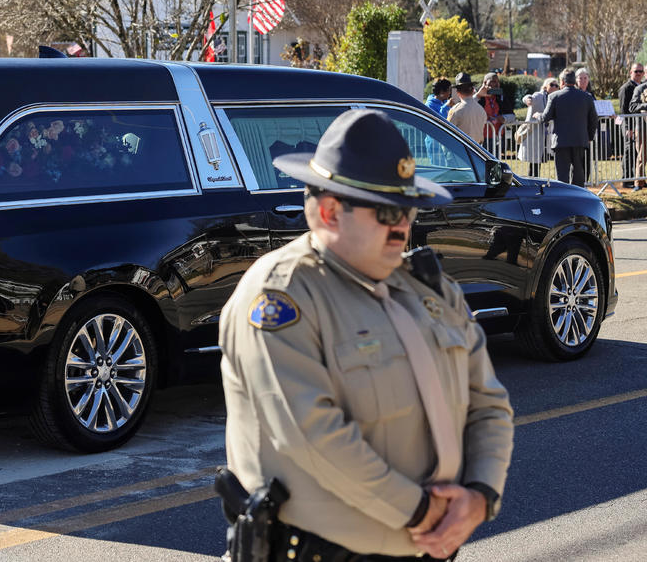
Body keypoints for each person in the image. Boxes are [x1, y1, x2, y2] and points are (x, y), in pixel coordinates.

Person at [218, 108, 513, 562]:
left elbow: (489, 404)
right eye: (389, 211)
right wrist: (421, 512)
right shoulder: (281, 295)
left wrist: (478, 497)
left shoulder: (430, 288)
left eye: (410, 209)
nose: (404, 226)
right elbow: (311, 435)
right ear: (331, 211)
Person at [541, 69, 599, 186]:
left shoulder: (554, 96)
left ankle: (563, 198)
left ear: (562, 81)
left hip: (561, 141)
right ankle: (577, 198)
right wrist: (589, 136)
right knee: (578, 173)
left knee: (562, 175)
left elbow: (545, 117)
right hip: (579, 140)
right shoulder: (586, 97)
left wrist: (538, 116)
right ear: (575, 81)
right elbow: (594, 119)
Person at [519, 78, 559, 177]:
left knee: (538, 161)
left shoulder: (554, 98)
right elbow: (529, 97)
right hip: (535, 133)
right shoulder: (539, 95)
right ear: (545, 86)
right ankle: (532, 183)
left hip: (545, 134)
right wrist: (528, 99)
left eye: (556, 85)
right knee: (534, 162)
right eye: (552, 84)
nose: (554, 87)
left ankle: (535, 181)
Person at [618, 63, 645, 185]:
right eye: (636, 71)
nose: (638, 74)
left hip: (640, 124)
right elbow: (624, 109)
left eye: (640, 71)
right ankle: (627, 179)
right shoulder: (626, 88)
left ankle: (637, 179)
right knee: (629, 151)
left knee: (638, 151)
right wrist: (628, 128)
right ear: (631, 73)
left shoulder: (643, 86)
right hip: (629, 124)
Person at [447, 72, 486, 143]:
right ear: (472, 90)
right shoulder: (481, 110)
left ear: (457, 92)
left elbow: (448, 133)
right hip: (476, 150)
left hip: (460, 150)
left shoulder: (455, 110)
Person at [477, 72, 506, 153]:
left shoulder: (500, 97)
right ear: (485, 83)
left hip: (497, 135)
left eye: (497, 82)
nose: (495, 85)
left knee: (496, 162)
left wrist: (503, 118)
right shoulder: (478, 97)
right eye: (493, 82)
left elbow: (511, 114)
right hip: (483, 136)